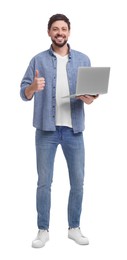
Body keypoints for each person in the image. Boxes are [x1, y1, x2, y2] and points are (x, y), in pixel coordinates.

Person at [20, 13, 98, 248]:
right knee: (44, 182)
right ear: (49, 32)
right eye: (55, 29)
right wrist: (32, 87)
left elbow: (92, 96)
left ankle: (74, 227)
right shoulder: (38, 60)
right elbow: (23, 93)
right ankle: (43, 230)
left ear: (69, 32)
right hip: (46, 130)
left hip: (74, 130)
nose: (60, 33)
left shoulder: (83, 60)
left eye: (63, 29)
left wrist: (89, 98)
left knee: (78, 181)